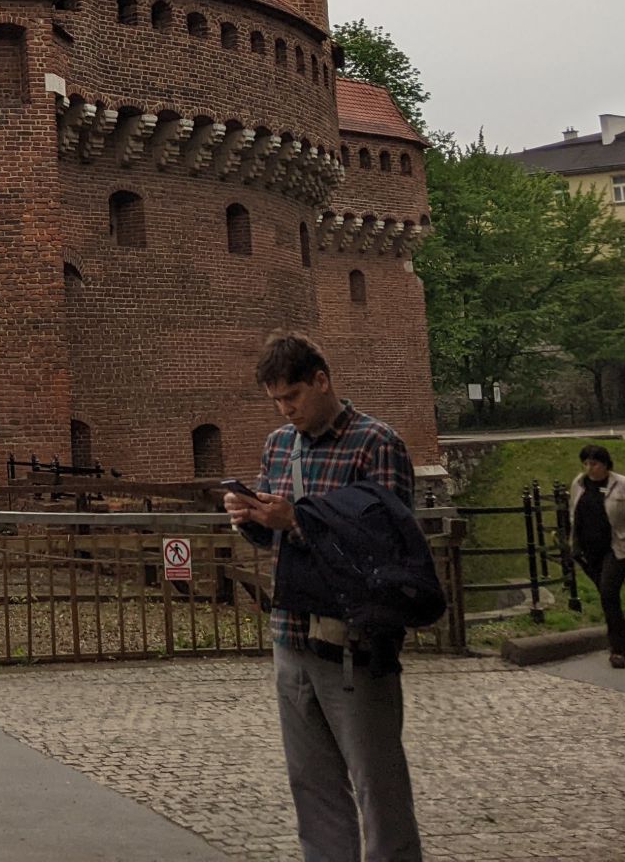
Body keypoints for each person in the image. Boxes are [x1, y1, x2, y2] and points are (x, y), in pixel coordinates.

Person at [223, 332, 421, 862]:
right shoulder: (278, 445)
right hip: (290, 635)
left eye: (293, 397)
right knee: (311, 784)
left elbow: (387, 546)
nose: (286, 410)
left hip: (354, 641)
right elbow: (273, 538)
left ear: (321, 380)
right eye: (276, 401)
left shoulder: (376, 444)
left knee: (378, 786)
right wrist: (251, 518)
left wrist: (297, 520)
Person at [567, 444, 625, 669]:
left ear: (605, 464)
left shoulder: (623, 485)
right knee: (609, 598)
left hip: (619, 548)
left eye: (594, 464)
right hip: (589, 551)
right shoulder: (579, 484)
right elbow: (574, 516)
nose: (589, 468)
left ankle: (617, 649)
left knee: (608, 591)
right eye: (586, 463)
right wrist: (573, 545)